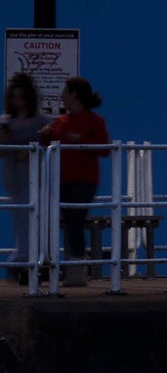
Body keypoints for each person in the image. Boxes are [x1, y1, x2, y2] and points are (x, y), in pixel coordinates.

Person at [41, 77, 110, 284]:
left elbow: (104, 149)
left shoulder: (94, 121)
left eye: (65, 91)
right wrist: (45, 136)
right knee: (69, 221)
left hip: (84, 179)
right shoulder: (61, 122)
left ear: (75, 95)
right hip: (62, 179)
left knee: (75, 219)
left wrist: (81, 141)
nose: (62, 96)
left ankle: (77, 269)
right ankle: (74, 268)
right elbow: (50, 143)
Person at [0, 72, 46, 280]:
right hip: (14, 177)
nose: (18, 102)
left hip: (32, 176)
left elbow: (44, 145)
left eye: (22, 97)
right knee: (19, 217)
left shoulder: (39, 121)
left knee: (31, 217)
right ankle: (23, 255)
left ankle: (28, 257)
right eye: (15, 98)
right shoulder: (6, 121)